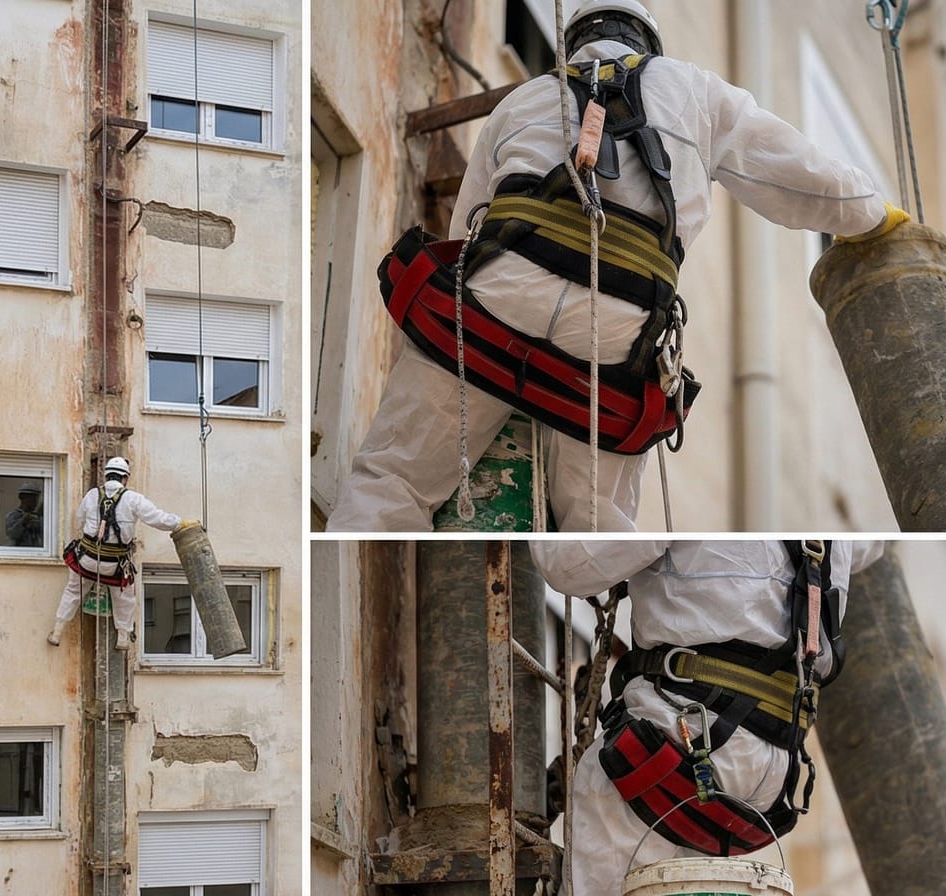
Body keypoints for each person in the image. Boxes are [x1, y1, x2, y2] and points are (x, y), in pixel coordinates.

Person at [331, 0, 908, 532]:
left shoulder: (527, 96)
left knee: (392, 480)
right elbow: (791, 169)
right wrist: (874, 217)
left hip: (500, 295)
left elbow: (469, 227)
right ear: (647, 43)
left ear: (575, 42)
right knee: (595, 527)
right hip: (616, 330)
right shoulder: (693, 92)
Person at [531, 540, 883, 896]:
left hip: (682, 745)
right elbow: (870, 547)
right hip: (769, 774)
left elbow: (566, 567)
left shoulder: (676, 519)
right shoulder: (832, 537)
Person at [47, 456, 196, 650]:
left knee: (73, 590)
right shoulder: (133, 499)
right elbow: (157, 518)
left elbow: (80, 518)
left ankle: (57, 631)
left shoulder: (92, 495)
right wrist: (180, 523)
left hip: (86, 560)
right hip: (113, 565)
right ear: (125, 478)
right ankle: (123, 637)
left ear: (107, 475)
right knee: (124, 596)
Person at [5, 482, 46, 548]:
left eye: (36, 498)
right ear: (22, 497)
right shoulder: (13, 515)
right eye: (31, 498)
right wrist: (23, 521)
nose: (35, 501)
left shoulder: (39, 517)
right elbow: (12, 535)